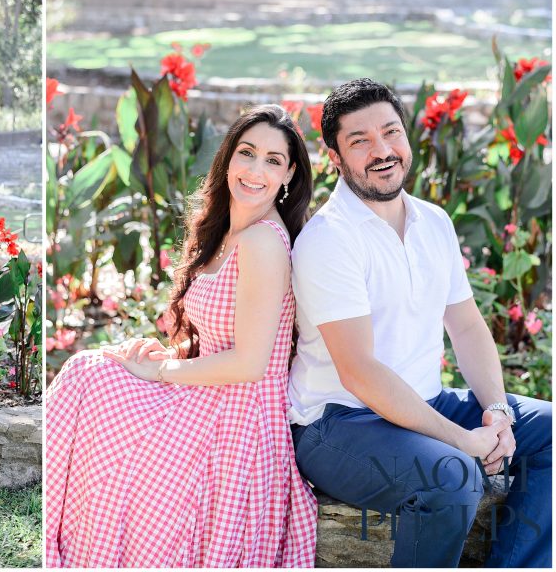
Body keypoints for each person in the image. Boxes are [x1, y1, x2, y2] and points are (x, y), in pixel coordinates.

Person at [287, 78, 552, 568]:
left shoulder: (434, 222)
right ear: (336, 157)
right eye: (360, 141)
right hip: (339, 423)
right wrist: (463, 439)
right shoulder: (330, 239)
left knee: (549, 428)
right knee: (451, 477)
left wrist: (495, 410)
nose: (382, 150)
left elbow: (468, 328)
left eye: (391, 132)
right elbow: (359, 372)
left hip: (422, 402)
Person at [45, 105, 319, 567]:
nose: (255, 170)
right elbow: (218, 337)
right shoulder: (230, 232)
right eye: (247, 153)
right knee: (89, 373)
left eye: (273, 160)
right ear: (228, 158)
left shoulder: (263, 243)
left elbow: (251, 364)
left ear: (290, 173)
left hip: (238, 415)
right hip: (207, 390)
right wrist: (167, 355)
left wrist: (160, 371)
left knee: (95, 390)